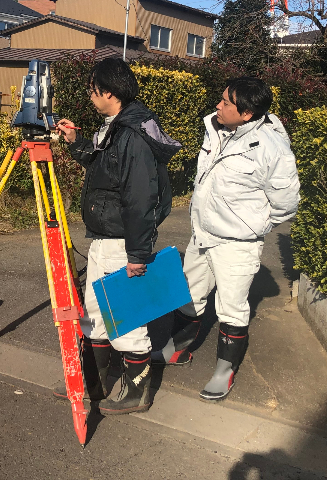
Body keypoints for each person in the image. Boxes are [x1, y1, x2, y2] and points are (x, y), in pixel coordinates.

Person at [151, 77, 300, 401]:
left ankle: (224, 371)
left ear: (246, 113)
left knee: (231, 308)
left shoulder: (272, 149)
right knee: (189, 294)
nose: (218, 106)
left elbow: (286, 204)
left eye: (226, 103)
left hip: (237, 244)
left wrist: (251, 226)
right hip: (202, 235)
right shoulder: (218, 129)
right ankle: (178, 349)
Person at [55, 58, 181, 415]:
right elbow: (103, 170)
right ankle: (92, 382)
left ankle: (137, 391)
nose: (90, 96)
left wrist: (138, 254)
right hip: (104, 238)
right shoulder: (117, 127)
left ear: (108, 92)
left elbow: (139, 198)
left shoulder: (132, 135)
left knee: (124, 320)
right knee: (93, 315)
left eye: (93, 90)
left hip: (121, 241)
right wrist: (76, 141)